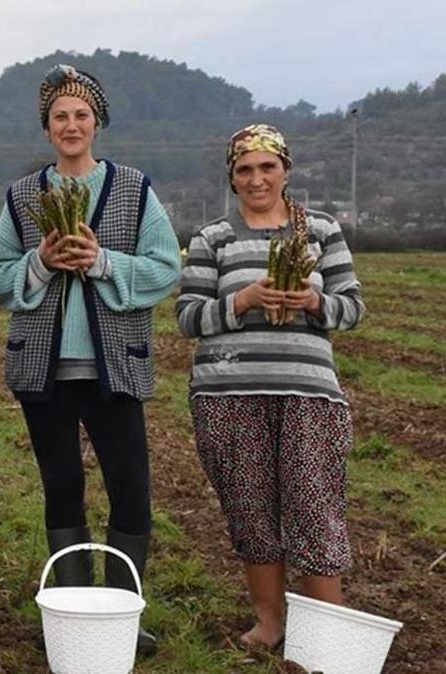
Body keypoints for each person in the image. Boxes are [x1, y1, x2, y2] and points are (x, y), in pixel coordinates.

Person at [0, 64, 181, 654]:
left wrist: (102, 262)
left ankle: (122, 615)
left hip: (113, 367)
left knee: (130, 488)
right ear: (47, 129)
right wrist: (39, 263)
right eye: (60, 117)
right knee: (61, 487)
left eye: (81, 115)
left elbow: (165, 266)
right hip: (43, 370)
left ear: (97, 123)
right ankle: (71, 614)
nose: (71, 125)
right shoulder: (23, 197)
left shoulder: (133, 189)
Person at [176, 124, 364, 650]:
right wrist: (244, 300)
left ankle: (326, 630)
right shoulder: (212, 237)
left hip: (308, 393)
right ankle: (270, 621)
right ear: (232, 178)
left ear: (285, 170)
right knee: (250, 506)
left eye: (266, 167)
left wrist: (312, 303)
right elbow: (188, 317)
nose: (256, 179)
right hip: (227, 392)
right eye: (244, 169)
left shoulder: (321, 231)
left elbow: (352, 307)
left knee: (313, 504)